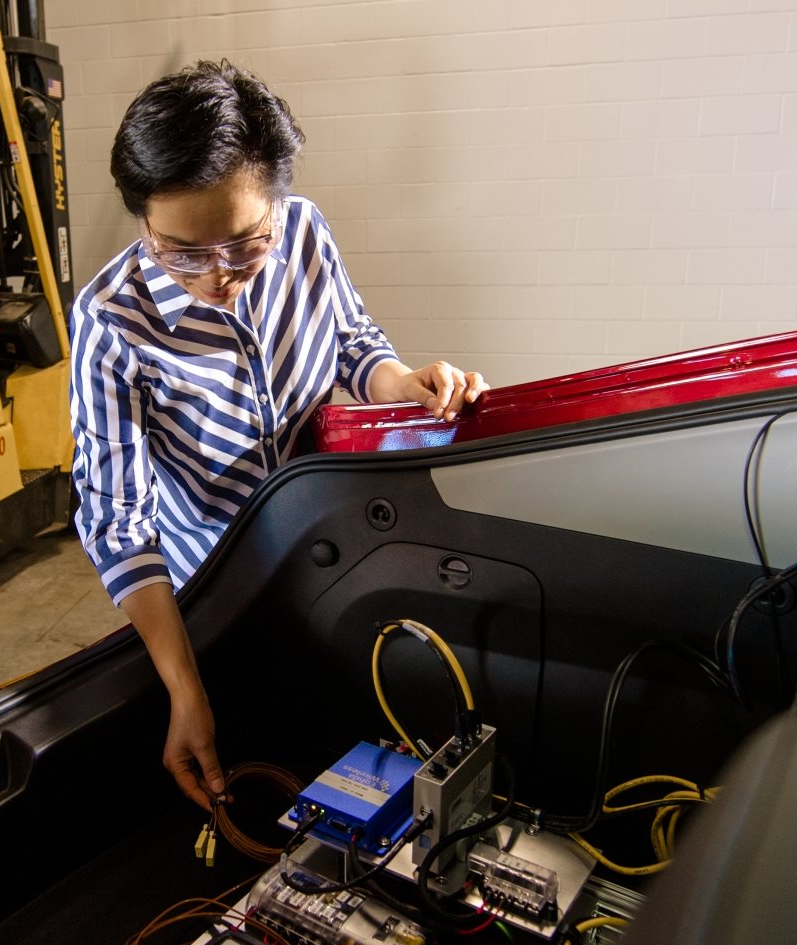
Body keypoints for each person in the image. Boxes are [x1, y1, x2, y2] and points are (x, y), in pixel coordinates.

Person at [69, 61, 489, 812]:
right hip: (215, 577)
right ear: (142, 219)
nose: (217, 276)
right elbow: (119, 525)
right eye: (182, 252)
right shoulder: (110, 321)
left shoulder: (303, 232)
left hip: (325, 538)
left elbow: (354, 346)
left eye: (242, 244)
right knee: (255, 743)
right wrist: (184, 684)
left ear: (275, 204)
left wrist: (404, 383)